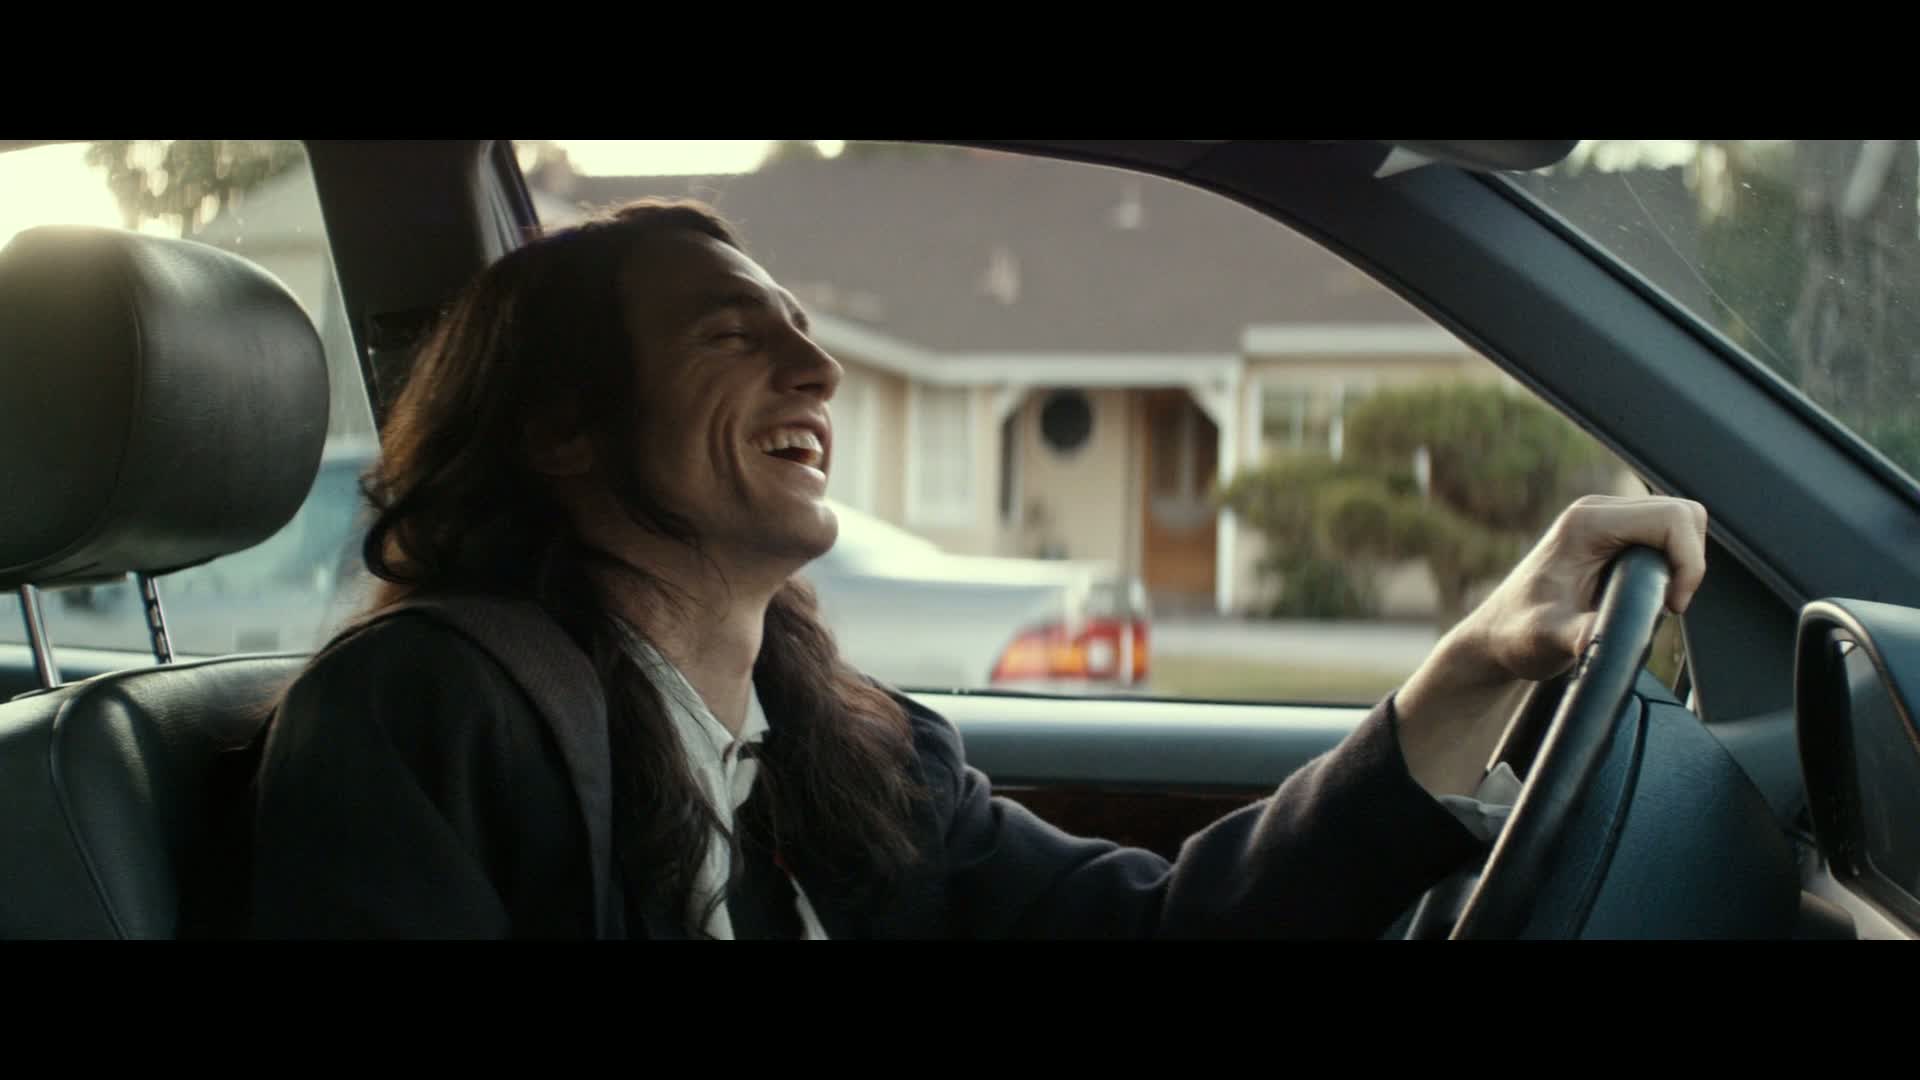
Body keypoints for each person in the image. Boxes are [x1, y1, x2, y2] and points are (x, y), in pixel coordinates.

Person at [246, 198, 1708, 939]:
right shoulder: (424, 715)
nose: (817, 367)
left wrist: (1479, 659)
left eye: (806, 328)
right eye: (733, 334)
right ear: (561, 429)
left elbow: (1164, 932)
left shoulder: (844, 752)